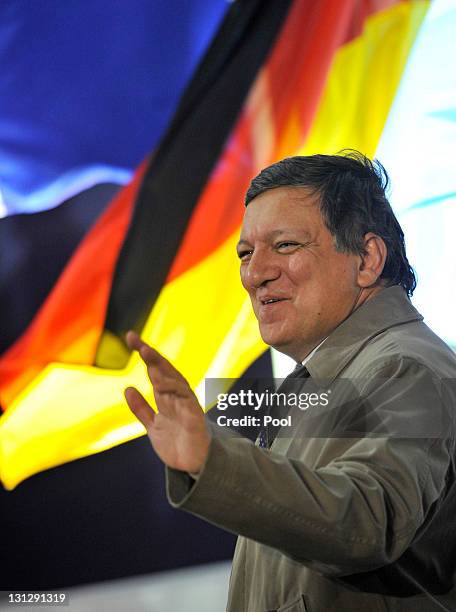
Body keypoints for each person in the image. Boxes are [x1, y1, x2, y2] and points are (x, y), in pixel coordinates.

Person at [124, 151, 456, 611]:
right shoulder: (324, 382)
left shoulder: (406, 367)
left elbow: (365, 521)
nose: (255, 273)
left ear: (367, 259)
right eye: (245, 253)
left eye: (285, 246)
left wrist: (213, 458)